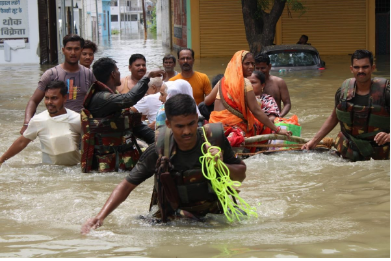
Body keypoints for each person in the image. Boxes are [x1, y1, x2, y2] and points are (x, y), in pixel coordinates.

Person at [81, 93, 247, 233]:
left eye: (191, 124)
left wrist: (220, 165)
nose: (187, 131)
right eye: (180, 126)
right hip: (174, 221)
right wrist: (100, 217)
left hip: (214, 216)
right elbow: (126, 186)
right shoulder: (159, 150)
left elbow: (241, 174)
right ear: (168, 124)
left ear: (198, 119)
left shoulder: (214, 141)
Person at [302, 49, 390, 161]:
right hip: (347, 152)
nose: (361, 71)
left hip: (379, 155)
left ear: (373, 68)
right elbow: (334, 117)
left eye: (365, 67)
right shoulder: (343, 92)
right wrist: (313, 141)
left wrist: (389, 136)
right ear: (351, 69)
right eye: (357, 67)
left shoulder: (386, 93)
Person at [81, 57, 164, 173]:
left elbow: (135, 126)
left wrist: (161, 143)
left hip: (121, 162)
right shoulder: (101, 98)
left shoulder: (113, 97)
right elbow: (129, 98)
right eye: (118, 70)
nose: (120, 73)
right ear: (113, 74)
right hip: (106, 167)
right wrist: (147, 76)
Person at [209, 50, 291, 146]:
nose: (251, 67)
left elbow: (207, 101)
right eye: (247, 64)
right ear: (238, 65)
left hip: (214, 124)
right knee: (263, 125)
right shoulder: (245, 83)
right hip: (233, 126)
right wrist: (277, 129)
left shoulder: (222, 81)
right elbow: (256, 110)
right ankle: (262, 150)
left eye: (252, 64)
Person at [20, 34, 95, 135]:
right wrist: (26, 123)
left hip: (80, 126)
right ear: (63, 50)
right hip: (56, 124)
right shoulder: (51, 74)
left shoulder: (89, 74)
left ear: (81, 51)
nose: (73, 52)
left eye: (76, 49)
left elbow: (97, 99)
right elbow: (34, 100)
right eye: (69, 49)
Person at [0, 81, 81, 166]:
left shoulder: (77, 119)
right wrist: (1, 160)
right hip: (48, 171)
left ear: (64, 98)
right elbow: (21, 142)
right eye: (47, 98)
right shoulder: (38, 120)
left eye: (54, 98)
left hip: (74, 170)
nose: (49, 102)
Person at [254, 53, 291, 117]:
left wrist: (279, 117)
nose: (260, 71)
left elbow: (287, 104)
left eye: (263, 68)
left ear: (269, 67)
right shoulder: (249, 83)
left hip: (275, 120)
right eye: (257, 68)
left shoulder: (279, 82)